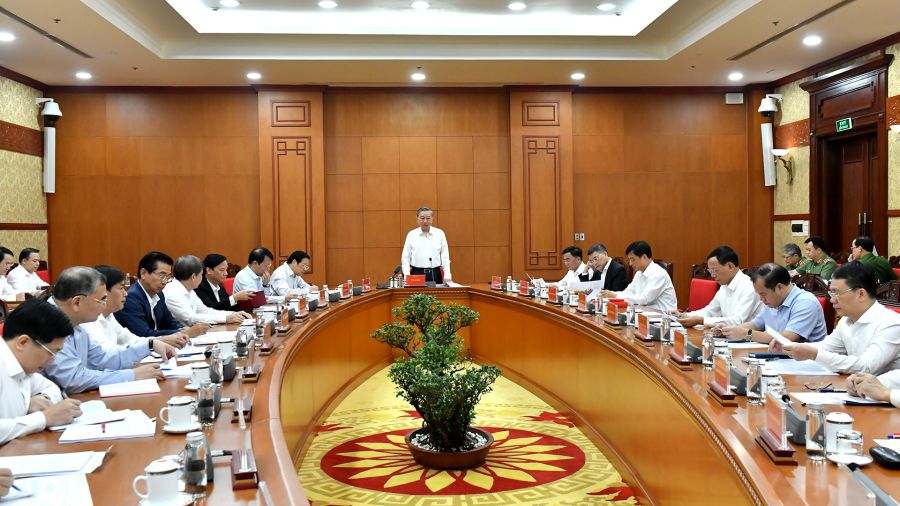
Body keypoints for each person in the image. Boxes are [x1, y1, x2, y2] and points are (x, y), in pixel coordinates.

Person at [42, 266, 177, 394]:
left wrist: (149, 345)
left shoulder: (76, 319)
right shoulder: (47, 323)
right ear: (77, 302)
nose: (105, 305)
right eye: (102, 300)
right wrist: (132, 375)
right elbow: (73, 379)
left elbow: (102, 358)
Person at [769, 262, 900, 374]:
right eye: (831, 293)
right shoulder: (846, 321)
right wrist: (791, 347)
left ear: (861, 294)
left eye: (837, 293)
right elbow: (826, 347)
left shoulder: (891, 324)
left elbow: (866, 366)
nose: (832, 300)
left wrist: (813, 354)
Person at [0, 299, 83, 444]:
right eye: (51, 352)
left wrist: (41, 398)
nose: (53, 360)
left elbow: (52, 388)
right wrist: (44, 418)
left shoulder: (23, 367)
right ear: (23, 342)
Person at [719, 263, 827, 344]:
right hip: (777, 356)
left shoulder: (805, 302)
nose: (761, 299)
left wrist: (746, 334)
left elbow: (787, 338)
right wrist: (729, 331)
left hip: (804, 363)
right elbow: (755, 324)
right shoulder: (773, 301)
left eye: (763, 294)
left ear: (779, 287)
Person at [85, 266, 188, 349]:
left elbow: (132, 340)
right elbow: (107, 356)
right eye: (121, 288)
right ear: (104, 292)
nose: (125, 293)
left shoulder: (109, 316)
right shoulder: (90, 322)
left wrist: (160, 340)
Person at [116, 252, 209, 338]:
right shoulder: (131, 298)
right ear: (143, 273)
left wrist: (183, 329)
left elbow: (170, 322)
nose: (165, 281)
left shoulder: (159, 294)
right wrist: (183, 333)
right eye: (162, 275)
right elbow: (143, 334)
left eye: (168, 277)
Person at [677, 246, 762, 328]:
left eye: (714, 270)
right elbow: (710, 311)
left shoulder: (749, 287)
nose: (712, 275)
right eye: (710, 271)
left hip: (750, 335)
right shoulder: (724, 286)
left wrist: (701, 321)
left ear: (730, 266)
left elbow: (737, 321)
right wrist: (684, 315)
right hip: (731, 334)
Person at [164, 255, 250, 325]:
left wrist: (232, 314)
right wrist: (225, 318)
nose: (202, 278)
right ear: (193, 277)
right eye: (201, 274)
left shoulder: (189, 290)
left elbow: (204, 310)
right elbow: (190, 318)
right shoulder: (173, 293)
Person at [601, 241, 677, 312]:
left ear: (644, 257)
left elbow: (645, 299)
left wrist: (615, 296)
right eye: (629, 260)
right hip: (645, 314)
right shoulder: (639, 273)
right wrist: (610, 294)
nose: (630, 263)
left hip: (664, 316)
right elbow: (628, 292)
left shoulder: (658, 274)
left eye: (633, 259)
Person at [401, 207, 451, 284]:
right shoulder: (411, 234)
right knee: (416, 292)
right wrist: (406, 275)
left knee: (436, 292)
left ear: (432, 219)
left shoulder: (439, 233)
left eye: (428, 218)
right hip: (417, 273)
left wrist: (447, 274)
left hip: (435, 273)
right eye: (422, 218)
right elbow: (405, 257)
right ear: (417, 219)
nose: (425, 221)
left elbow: (445, 257)